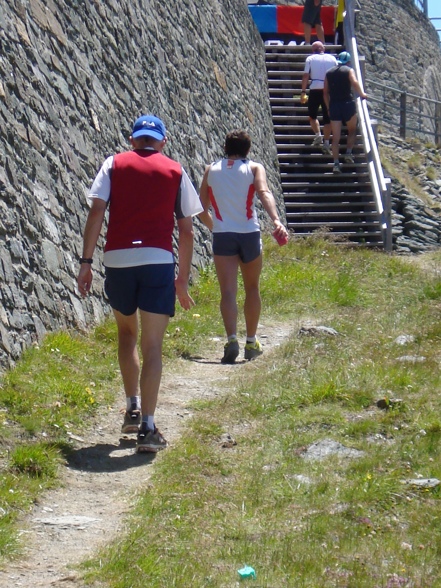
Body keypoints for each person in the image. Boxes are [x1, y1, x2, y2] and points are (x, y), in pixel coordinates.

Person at [77, 114, 203, 453]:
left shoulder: (113, 164)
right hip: (158, 260)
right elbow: (187, 230)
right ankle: (147, 428)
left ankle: (131, 407)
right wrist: (182, 281)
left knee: (126, 334)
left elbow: (96, 211)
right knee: (152, 346)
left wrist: (85, 263)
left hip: (117, 259)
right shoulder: (176, 171)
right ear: (161, 141)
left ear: (133, 140)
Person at [198, 130, 288, 365]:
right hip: (249, 232)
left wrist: (215, 227)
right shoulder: (255, 168)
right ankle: (251, 341)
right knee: (252, 287)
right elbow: (264, 192)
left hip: (223, 234)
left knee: (227, 291)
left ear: (225, 147)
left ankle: (231, 340)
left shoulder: (210, 170)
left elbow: (200, 208)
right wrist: (276, 220)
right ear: (248, 150)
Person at [323, 51, 368, 174]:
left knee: (335, 137)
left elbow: (325, 92)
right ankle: (348, 153)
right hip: (347, 103)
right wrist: (362, 94)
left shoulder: (329, 73)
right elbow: (354, 82)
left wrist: (328, 107)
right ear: (348, 61)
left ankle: (336, 163)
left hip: (334, 106)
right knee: (352, 129)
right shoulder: (349, 70)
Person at [301, 41, 337, 152]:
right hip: (328, 89)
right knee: (328, 118)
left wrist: (303, 91)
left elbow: (306, 75)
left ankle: (318, 135)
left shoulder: (310, 59)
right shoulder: (332, 59)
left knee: (312, 115)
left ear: (313, 50)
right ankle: (326, 143)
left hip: (315, 88)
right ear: (323, 49)